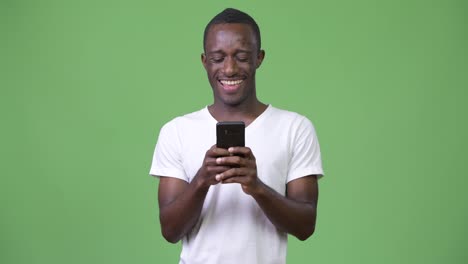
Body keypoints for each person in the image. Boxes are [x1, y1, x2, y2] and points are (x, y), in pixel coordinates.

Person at [150, 8, 323, 264]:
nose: (229, 69)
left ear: (259, 58)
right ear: (204, 61)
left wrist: (257, 188)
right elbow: (170, 231)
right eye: (218, 58)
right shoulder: (176, 131)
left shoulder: (295, 128)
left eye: (241, 57)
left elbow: (305, 226)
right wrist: (202, 180)